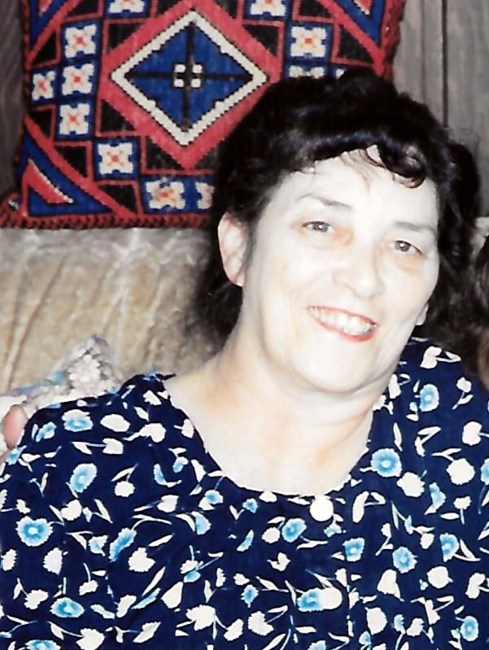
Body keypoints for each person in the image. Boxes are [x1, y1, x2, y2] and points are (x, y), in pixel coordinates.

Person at [1, 69, 488, 649]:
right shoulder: (74, 469)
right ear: (238, 247)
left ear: (429, 292)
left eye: (404, 245)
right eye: (321, 225)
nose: (365, 278)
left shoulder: (453, 433)